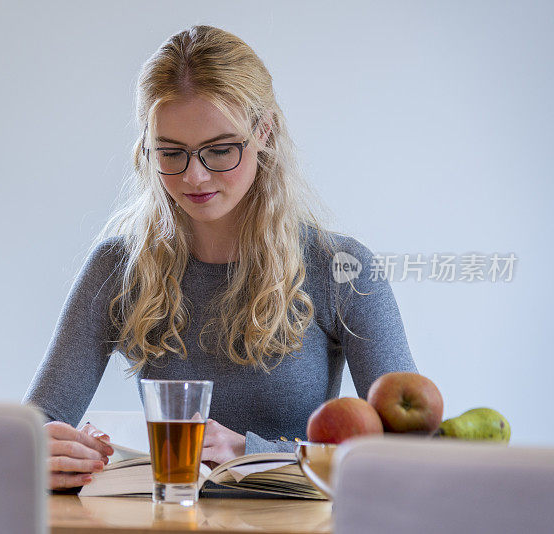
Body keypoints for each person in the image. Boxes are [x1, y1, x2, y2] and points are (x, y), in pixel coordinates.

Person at [24, 25, 417, 490]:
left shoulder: (341, 270)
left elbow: (407, 451)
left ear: (263, 132)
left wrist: (250, 452)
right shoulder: (120, 266)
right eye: (170, 153)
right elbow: (35, 426)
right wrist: (47, 449)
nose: (194, 176)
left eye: (220, 150)